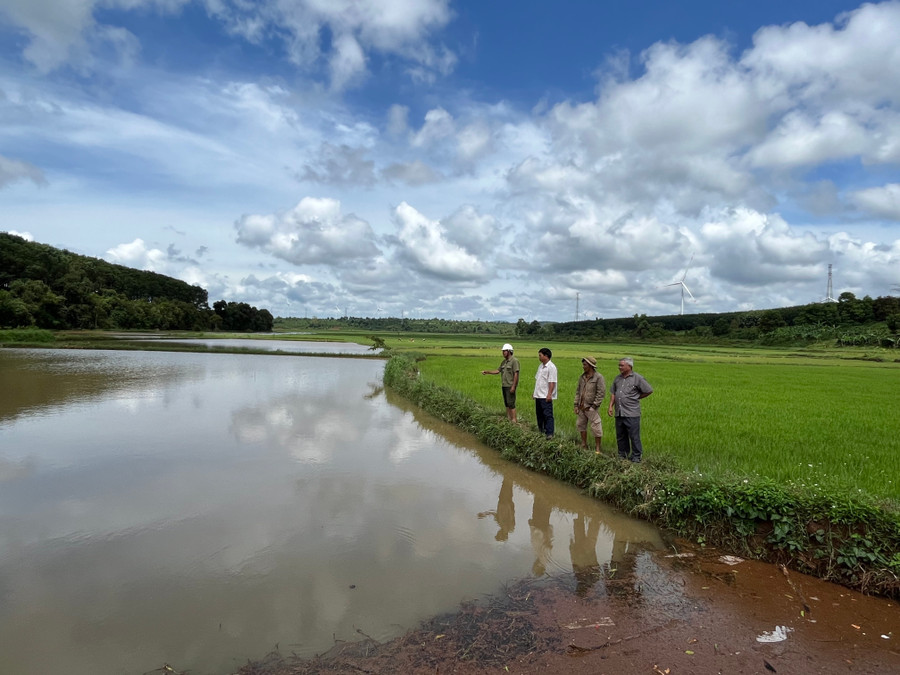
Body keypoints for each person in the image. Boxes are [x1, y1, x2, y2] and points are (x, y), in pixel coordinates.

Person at [607, 357, 653, 462]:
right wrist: (610, 406)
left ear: (629, 366)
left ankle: (636, 457)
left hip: (631, 413)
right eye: (619, 365)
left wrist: (637, 397)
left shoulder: (637, 378)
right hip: (619, 412)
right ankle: (622, 455)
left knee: (634, 436)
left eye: (622, 365)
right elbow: (613, 393)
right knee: (621, 435)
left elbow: (649, 390)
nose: (619, 367)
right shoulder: (617, 378)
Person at [481, 343, 520, 422]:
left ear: (509, 351)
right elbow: (497, 371)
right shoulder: (504, 362)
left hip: (510, 385)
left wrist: (513, 386)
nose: (503, 353)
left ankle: (514, 420)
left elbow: (516, 374)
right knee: (506, 403)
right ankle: (508, 419)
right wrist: (487, 372)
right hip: (504, 385)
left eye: (505, 351)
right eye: (503, 351)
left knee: (511, 403)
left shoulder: (514, 361)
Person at [574, 356, 605, 454]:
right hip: (581, 406)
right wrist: (576, 404)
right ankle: (584, 444)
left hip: (591, 407)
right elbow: (578, 391)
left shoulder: (598, 377)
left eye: (585, 365)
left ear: (591, 366)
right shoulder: (582, 377)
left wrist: (594, 406)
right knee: (581, 425)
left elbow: (601, 393)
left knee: (596, 427)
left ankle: (597, 449)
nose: (583, 367)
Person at [532, 347, 557, 438]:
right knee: (539, 415)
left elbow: (552, 382)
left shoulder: (551, 367)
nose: (539, 357)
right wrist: (534, 392)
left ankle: (549, 433)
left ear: (546, 356)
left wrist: (549, 394)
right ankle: (541, 431)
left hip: (545, 395)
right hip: (538, 395)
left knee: (547, 415)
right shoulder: (541, 366)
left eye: (540, 355)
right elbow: (538, 380)